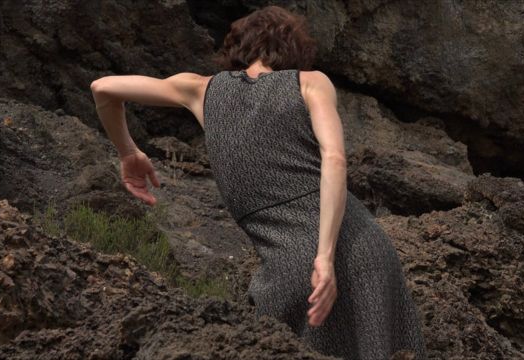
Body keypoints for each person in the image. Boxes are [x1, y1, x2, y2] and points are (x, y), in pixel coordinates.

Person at [90, 5, 428, 359]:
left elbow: (103, 88)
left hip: (291, 264)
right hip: (359, 246)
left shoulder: (199, 90)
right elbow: (334, 158)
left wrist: (128, 153)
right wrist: (324, 256)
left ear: (240, 47)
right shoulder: (310, 82)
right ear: (295, 52)